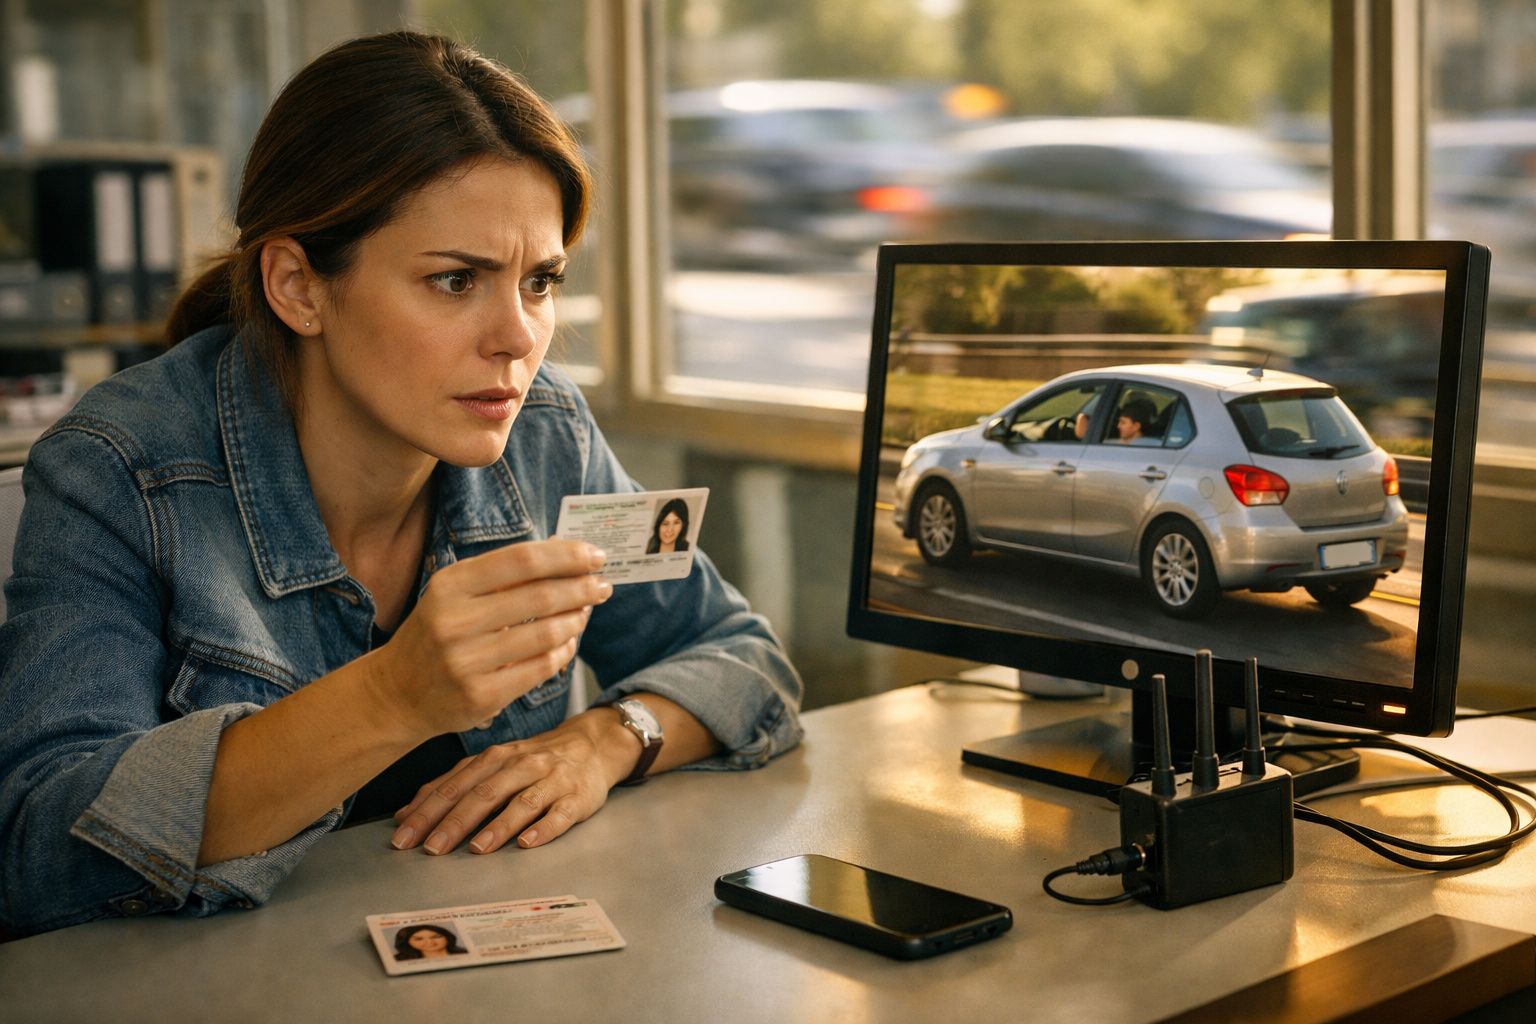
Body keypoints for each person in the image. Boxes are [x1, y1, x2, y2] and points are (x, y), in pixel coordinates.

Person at [0, 30, 802, 938]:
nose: (517, 339)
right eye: (456, 280)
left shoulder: (547, 434)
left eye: (540, 282)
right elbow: (35, 846)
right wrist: (393, 697)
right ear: (298, 286)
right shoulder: (119, 468)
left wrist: (607, 740)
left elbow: (743, 658)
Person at [393, 923, 468, 961]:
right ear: (407, 942)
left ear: (447, 937)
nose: (429, 942)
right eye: (419, 939)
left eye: (436, 937)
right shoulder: (399, 960)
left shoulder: (465, 953)